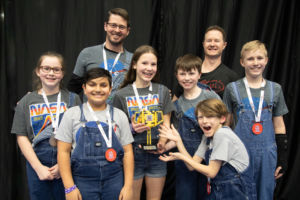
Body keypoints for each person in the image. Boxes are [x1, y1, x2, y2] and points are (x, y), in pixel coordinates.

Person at [223, 40, 289, 200]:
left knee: (265, 194)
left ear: (266, 60)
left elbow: (279, 124)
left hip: (267, 154)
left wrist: (282, 157)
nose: (255, 63)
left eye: (259, 58)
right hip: (240, 152)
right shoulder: (232, 88)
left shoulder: (275, 89)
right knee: (239, 193)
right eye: (250, 59)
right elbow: (226, 124)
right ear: (242, 62)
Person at [11, 52, 81, 200]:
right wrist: (38, 168)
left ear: (62, 73)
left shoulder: (73, 99)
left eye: (56, 69)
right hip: (37, 163)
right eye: (46, 68)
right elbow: (21, 136)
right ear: (38, 71)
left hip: (68, 161)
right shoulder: (26, 101)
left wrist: (64, 164)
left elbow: (80, 136)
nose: (51, 73)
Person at [56, 68, 134, 200]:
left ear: (110, 89)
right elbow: (63, 152)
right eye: (92, 85)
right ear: (84, 88)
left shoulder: (119, 115)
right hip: (82, 181)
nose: (98, 89)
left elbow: (127, 152)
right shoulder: (72, 114)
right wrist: (69, 187)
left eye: (103, 85)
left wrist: (128, 186)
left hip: (114, 180)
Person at [159, 98, 256, 200]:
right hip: (220, 188)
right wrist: (178, 141)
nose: (204, 121)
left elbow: (211, 172)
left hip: (235, 190)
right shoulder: (207, 137)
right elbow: (192, 165)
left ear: (222, 119)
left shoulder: (222, 134)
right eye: (200, 117)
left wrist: (181, 157)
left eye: (209, 116)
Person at [112, 45, 174, 200]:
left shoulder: (163, 91)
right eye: (144, 63)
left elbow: (166, 120)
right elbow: (115, 130)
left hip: (157, 154)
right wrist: (132, 128)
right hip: (132, 154)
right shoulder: (121, 95)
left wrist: (162, 141)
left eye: (153, 64)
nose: (149, 68)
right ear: (134, 65)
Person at [170, 54, 220, 200]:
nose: (187, 78)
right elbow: (176, 136)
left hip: (211, 157)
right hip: (185, 158)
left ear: (199, 74)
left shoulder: (211, 96)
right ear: (176, 76)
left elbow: (222, 126)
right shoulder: (175, 106)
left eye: (191, 73)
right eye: (182, 74)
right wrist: (161, 148)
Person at [68, 7, 132, 104]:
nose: (117, 30)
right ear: (105, 26)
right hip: (90, 117)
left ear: (127, 31)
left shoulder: (133, 60)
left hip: (120, 117)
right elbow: (72, 91)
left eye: (121, 27)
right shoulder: (87, 54)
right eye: (113, 25)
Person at [173, 25, 239, 99]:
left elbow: (234, 108)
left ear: (224, 45)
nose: (212, 44)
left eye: (216, 41)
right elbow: (175, 104)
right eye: (209, 40)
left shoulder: (232, 78)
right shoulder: (188, 72)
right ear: (203, 44)